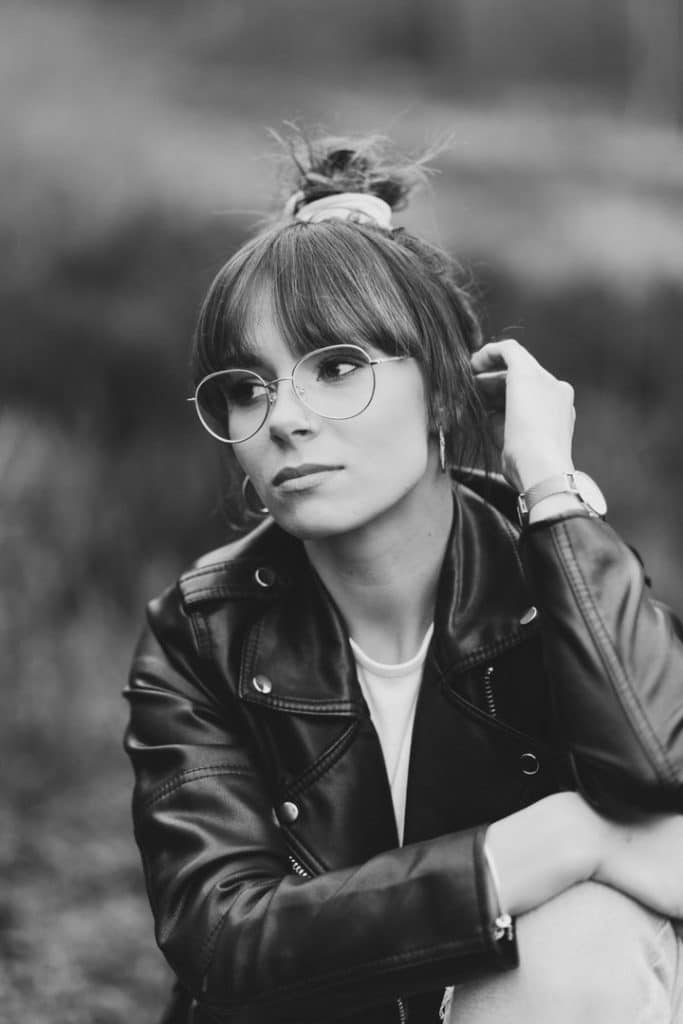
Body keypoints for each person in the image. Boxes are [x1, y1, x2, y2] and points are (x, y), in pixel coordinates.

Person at [124, 133, 683, 1024]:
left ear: (445, 393)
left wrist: (550, 485)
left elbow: (662, 776)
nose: (286, 420)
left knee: (588, 933)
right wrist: (546, 843)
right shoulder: (202, 633)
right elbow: (223, 939)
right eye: (246, 386)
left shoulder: (556, 574)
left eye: (337, 367)